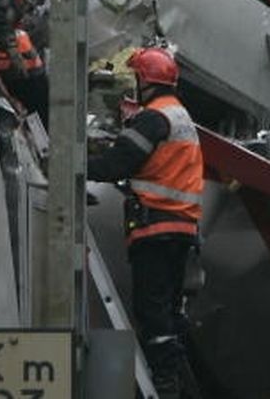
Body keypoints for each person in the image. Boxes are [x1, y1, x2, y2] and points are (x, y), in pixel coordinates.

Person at [87, 46, 203, 398]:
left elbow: (115, 166)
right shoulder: (178, 114)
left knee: (150, 311)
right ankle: (188, 381)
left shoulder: (153, 118)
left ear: (144, 82)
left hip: (156, 228)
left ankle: (167, 384)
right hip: (180, 228)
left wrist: (70, 161)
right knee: (168, 311)